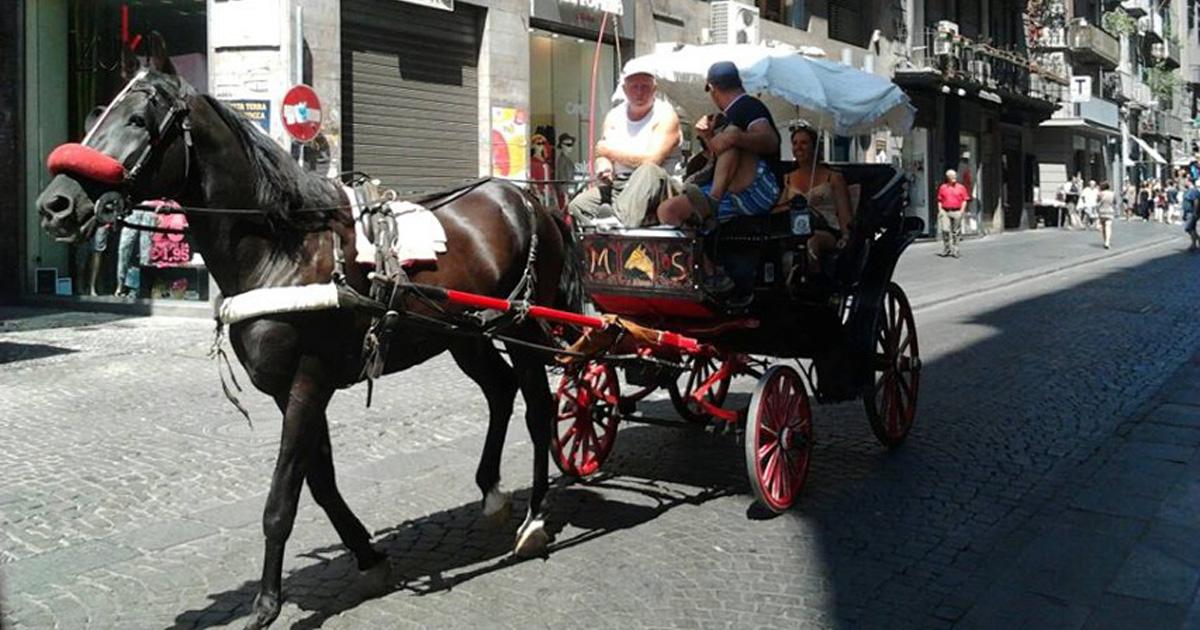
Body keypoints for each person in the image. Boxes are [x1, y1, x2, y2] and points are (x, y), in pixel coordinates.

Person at [656, 61, 782, 227]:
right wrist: (709, 137)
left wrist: (735, 138)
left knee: (731, 134)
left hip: (760, 189)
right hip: (733, 192)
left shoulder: (748, 105)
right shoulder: (729, 114)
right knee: (669, 210)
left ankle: (713, 201)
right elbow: (721, 158)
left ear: (711, 88)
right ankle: (697, 249)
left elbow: (771, 141)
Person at [567, 71, 682, 227]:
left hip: (656, 186)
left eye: (645, 87)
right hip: (620, 184)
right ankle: (600, 236)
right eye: (634, 87)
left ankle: (619, 222)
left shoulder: (665, 115)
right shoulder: (614, 116)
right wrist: (604, 165)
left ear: (655, 89)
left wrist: (610, 152)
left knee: (648, 169)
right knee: (578, 206)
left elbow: (652, 159)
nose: (639, 92)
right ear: (625, 89)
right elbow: (602, 153)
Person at [777, 122, 852, 269]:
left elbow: (845, 214)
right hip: (796, 229)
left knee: (811, 243)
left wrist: (846, 237)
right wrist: (792, 204)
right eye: (795, 143)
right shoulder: (788, 178)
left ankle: (814, 284)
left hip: (825, 230)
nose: (798, 147)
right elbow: (777, 210)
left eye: (804, 143)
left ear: (814, 147)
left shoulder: (834, 177)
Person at [936, 169, 969, 258]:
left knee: (956, 232)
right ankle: (947, 248)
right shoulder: (943, 187)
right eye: (952, 176)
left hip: (957, 211)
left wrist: (962, 211)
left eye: (955, 176)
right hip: (945, 211)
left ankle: (956, 249)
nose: (955, 177)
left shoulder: (961, 187)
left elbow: (965, 200)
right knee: (945, 230)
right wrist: (940, 211)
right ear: (948, 177)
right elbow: (939, 200)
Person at [1096, 181, 1116, 249]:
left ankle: (1105, 241)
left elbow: (1097, 201)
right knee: (1108, 226)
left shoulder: (1100, 194)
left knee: (1104, 227)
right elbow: (1115, 202)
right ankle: (1107, 242)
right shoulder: (1112, 193)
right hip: (1110, 211)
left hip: (1102, 211)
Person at [1183, 178, 1200, 251]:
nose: (1184, 182)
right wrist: (1184, 213)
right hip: (1188, 212)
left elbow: (1196, 201)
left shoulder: (1193, 191)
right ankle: (1194, 244)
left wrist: (1195, 212)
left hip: (1192, 212)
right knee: (1192, 228)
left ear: (1190, 182)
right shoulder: (1188, 191)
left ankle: (1195, 243)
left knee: (1188, 228)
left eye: (1185, 181)